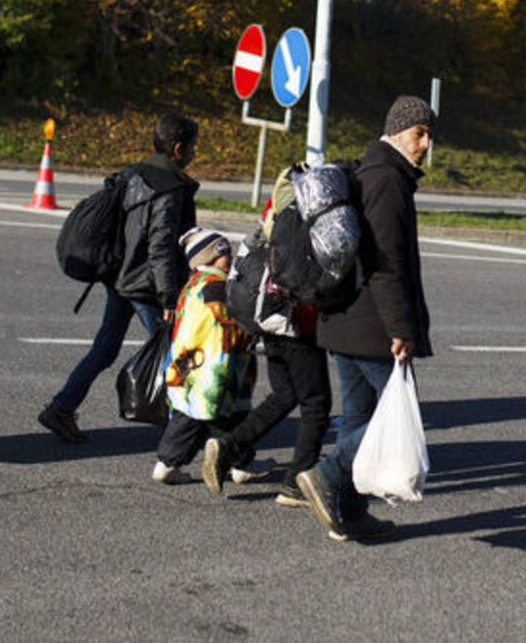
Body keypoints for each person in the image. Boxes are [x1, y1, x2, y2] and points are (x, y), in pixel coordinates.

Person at [297, 95, 435, 542]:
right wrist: (401, 328)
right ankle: (326, 475)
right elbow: (385, 264)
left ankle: (347, 513)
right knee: (393, 419)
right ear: (397, 131)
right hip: (372, 326)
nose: (425, 144)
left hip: (344, 320)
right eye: (419, 133)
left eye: (429, 135)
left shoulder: (369, 171)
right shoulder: (387, 180)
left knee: (358, 420)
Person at [38, 112, 199, 443]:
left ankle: (62, 408)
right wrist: (169, 297)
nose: (195, 153)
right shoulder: (169, 188)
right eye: (193, 147)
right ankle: (183, 431)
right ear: (178, 148)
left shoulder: (132, 174)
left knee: (105, 349)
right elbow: (160, 247)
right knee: (175, 352)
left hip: (119, 278)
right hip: (146, 286)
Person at [201, 262, 331, 505]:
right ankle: (295, 484)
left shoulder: (272, 233)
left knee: (284, 395)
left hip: (270, 316)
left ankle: (229, 446)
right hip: (299, 322)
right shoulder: (305, 235)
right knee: (316, 404)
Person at [151, 228, 261, 484]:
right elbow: (229, 320)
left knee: (190, 415)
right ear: (206, 258)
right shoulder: (216, 286)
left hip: (191, 364)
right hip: (217, 364)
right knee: (228, 415)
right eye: (223, 253)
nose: (229, 258)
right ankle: (240, 464)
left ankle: (167, 463)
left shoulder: (194, 283)